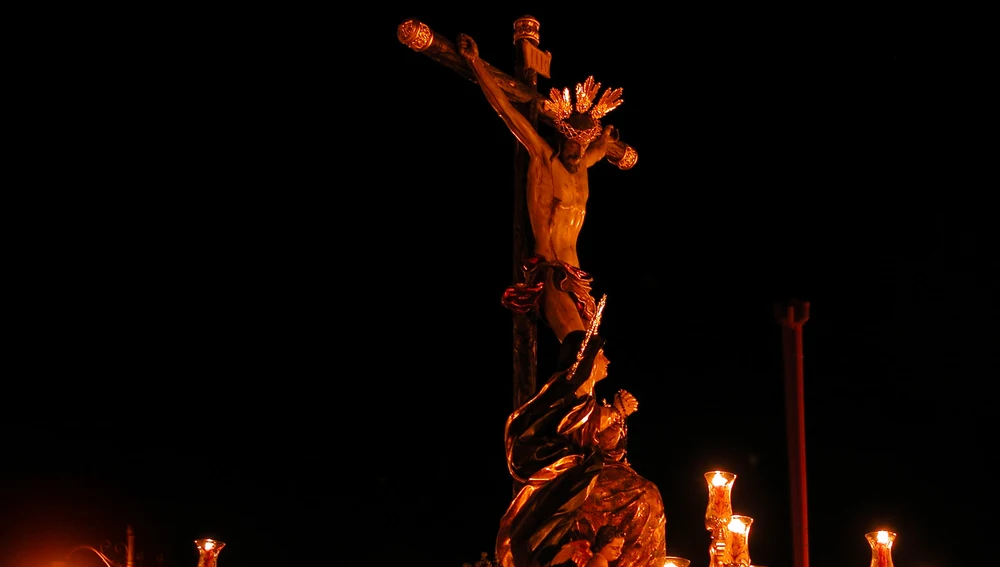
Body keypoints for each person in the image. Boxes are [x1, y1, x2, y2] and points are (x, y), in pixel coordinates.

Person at [457, 33, 624, 343]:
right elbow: (506, 110)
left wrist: (605, 140)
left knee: (596, 361)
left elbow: (599, 150)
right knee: (579, 349)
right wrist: (475, 63)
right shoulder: (544, 158)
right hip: (549, 270)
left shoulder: (583, 165)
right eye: (573, 145)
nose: (577, 152)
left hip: (578, 278)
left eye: (582, 146)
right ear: (561, 138)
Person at [495, 327, 666, 567]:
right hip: (568, 478)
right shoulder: (563, 392)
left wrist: (617, 419)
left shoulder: (587, 397)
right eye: (601, 354)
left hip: (590, 470)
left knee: (647, 493)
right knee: (644, 496)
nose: (607, 360)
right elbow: (572, 432)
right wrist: (614, 413)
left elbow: (602, 446)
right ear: (585, 359)